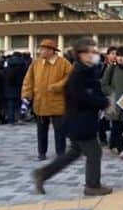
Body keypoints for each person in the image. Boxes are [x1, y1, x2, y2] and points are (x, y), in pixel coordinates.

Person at [32, 37, 112, 196]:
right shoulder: (78, 73)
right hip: (80, 121)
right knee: (94, 152)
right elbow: (81, 98)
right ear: (81, 54)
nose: (95, 55)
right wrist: (103, 103)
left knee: (73, 153)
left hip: (83, 120)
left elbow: (92, 93)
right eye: (91, 52)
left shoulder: (88, 71)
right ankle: (92, 186)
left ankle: (43, 174)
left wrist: (103, 99)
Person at [22, 39, 72, 160]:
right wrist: (26, 94)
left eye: (44, 49)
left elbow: (71, 77)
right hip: (40, 102)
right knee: (41, 130)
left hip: (57, 102)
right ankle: (41, 152)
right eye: (41, 49)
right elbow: (28, 80)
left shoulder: (63, 63)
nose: (41, 51)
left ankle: (61, 153)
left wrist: (58, 86)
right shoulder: (36, 63)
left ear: (52, 51)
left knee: (59, 131)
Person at [0, 51, 28, 125]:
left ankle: (11, 120)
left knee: (10, 105)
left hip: (8, 89)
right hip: (20, 88)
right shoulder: (23, 67)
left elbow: (3, 78)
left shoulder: (7, 67)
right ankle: (19, 118)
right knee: (19, 104)